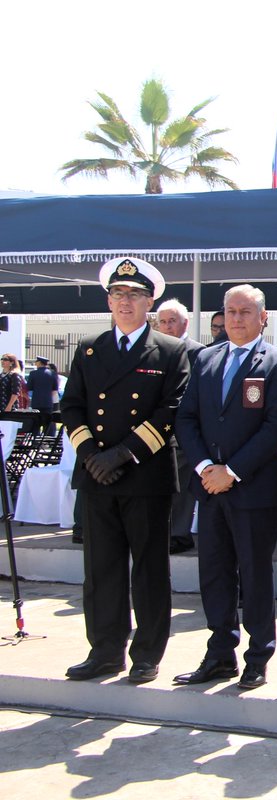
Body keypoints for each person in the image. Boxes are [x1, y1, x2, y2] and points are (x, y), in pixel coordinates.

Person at [60, 256, 190, 684]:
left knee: (150, 570)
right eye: (118, 294)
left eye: (134, 295)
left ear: (149, 301)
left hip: (144, 475)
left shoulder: (170, 351)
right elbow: (73, 406)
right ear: (109, 299)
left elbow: (170, 409)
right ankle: (104, 650)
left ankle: (147, 654)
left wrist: (121, 455)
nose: (125, 302)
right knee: (101, 569)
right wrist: (92, 457)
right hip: (97, 476)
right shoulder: (89, 348)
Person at [173, 285, 277, 690]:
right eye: (230, 311)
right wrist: (208, 466)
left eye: (246, 312)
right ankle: (219, 653)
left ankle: (258, 655)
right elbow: (186, 418)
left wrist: (233, 470)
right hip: (209, 487)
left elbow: (276, 427)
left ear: (264, 317)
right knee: (214, 572)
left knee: (255, 574)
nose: (237, 319)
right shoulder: (204, 358)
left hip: (253, 489)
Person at [155, 298, 206, 555]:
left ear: (184, 323)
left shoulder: (198, 352)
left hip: (183, 429)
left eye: (171, 321)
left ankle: (179, 533)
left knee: (183, 485)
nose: (166, 326)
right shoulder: (153, 350)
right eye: (162, 321)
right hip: (154, 429)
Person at [27, 356, 59, 435]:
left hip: (36, 401)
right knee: (48, 422)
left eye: (36, 362)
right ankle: (49, 439)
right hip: (48, 402)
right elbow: (55, 389)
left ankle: (36, 438)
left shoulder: (33, 373)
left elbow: (29, 387)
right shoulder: (52, 373)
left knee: (36, 422)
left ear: (39, 363)